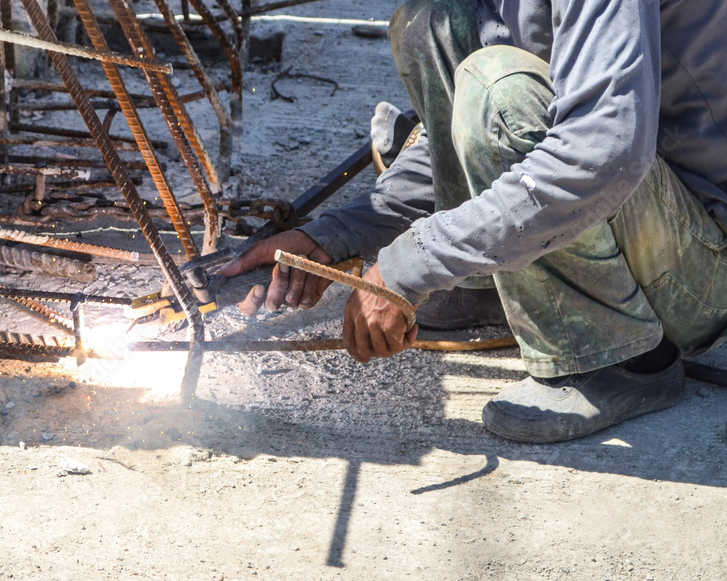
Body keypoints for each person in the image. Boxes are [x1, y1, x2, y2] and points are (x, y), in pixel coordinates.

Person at [220, 0, 727, 443]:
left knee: (497, 82)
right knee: (433, 23)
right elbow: (469, 134)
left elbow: (597, 153)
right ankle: (491, 285)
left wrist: (414, 263)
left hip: (702, 270)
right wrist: (337, 234)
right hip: (639, 211)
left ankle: (616, 356)